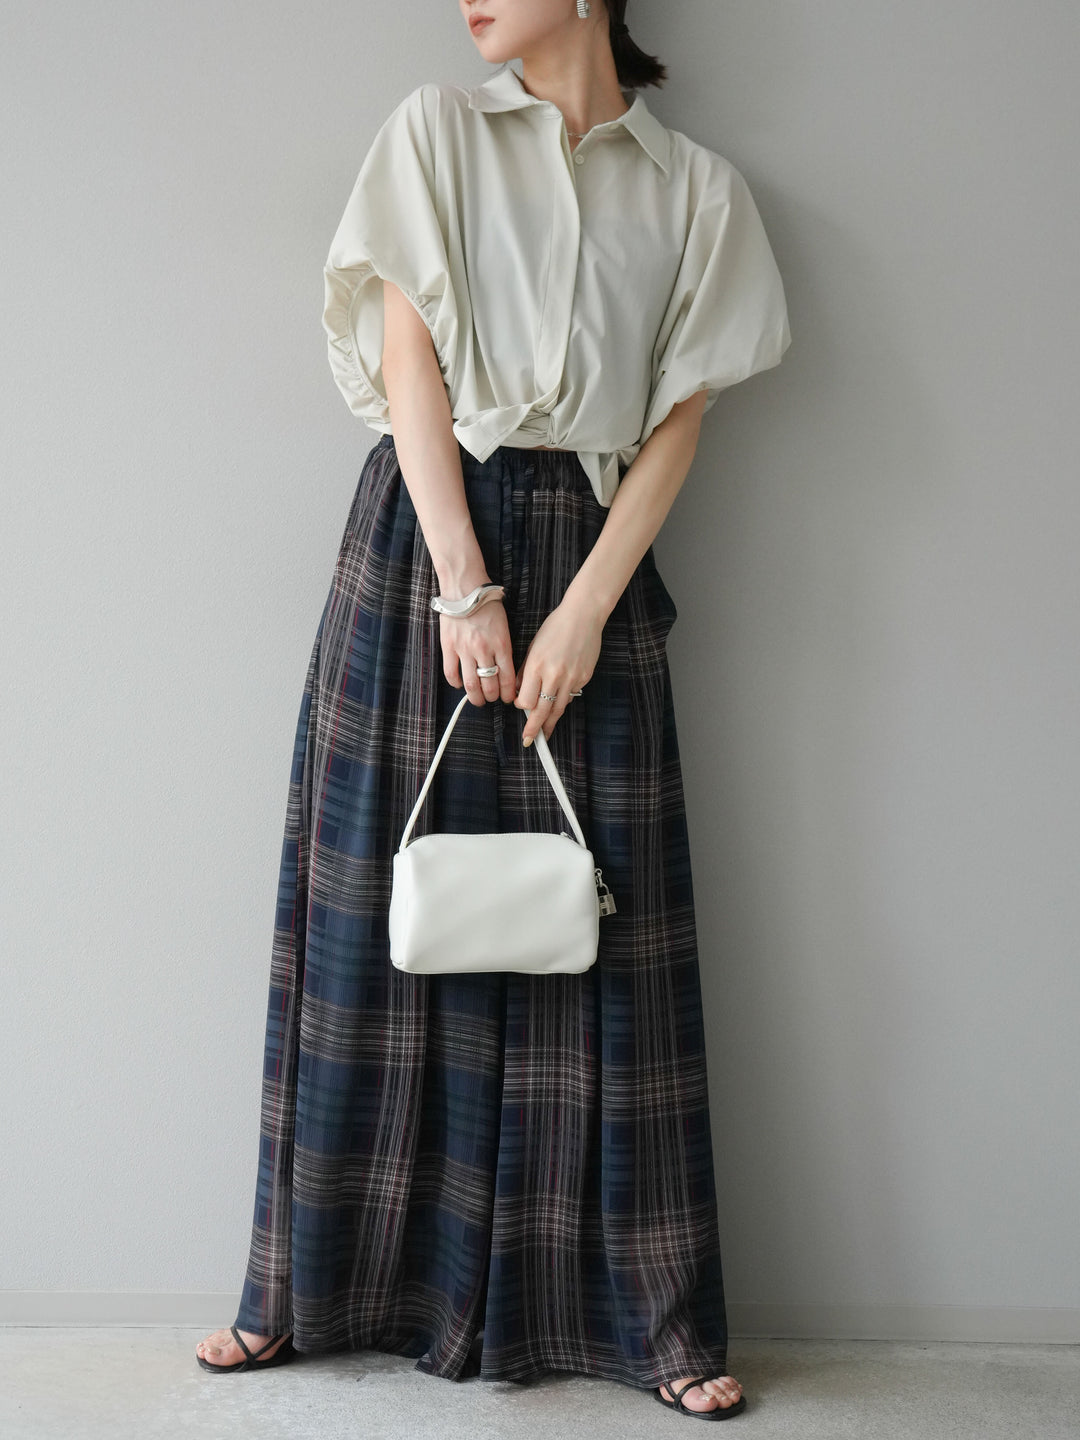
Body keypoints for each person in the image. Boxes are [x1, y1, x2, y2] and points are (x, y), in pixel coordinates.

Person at [196, 0, 791, 1423]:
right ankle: (299, 1294)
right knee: (373, 912)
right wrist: (463, 581)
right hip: (425, 540)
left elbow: (680, 421)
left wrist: (583, 611)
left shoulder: (699, 191)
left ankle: (653, 1319)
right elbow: (409, 354)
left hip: (595, 551)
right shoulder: (437, 131)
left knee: (606, 932)